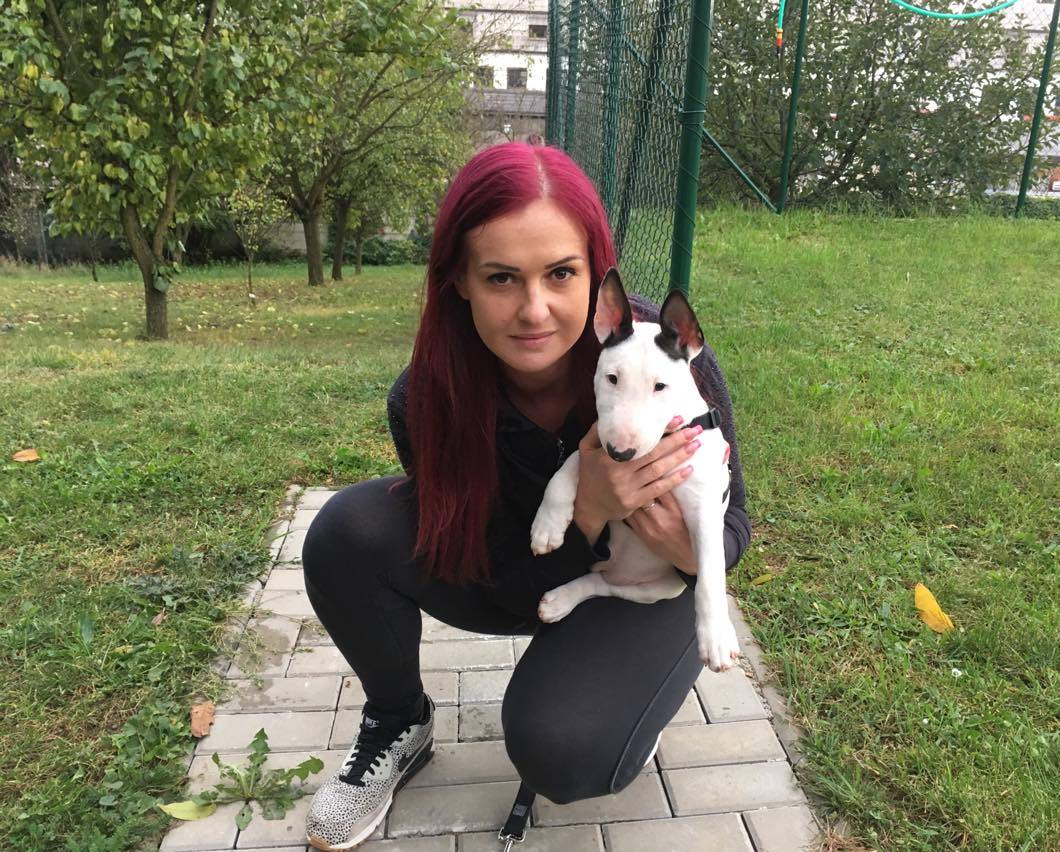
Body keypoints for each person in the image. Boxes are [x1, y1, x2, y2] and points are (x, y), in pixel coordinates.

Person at [301, 141, 752, 850]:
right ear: (460, 280)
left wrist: (684, 550)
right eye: (502, 278)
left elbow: (734, 525)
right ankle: (397, 721)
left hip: (651, 579)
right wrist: (590, 508)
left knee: (565, 750)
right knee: (344, 532)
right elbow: (495, 567)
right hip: (513, 571)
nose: (534, 310)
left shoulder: (662, 359)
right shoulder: (426, 394)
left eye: (561, 273)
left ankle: (624, 691)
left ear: (597, 278)